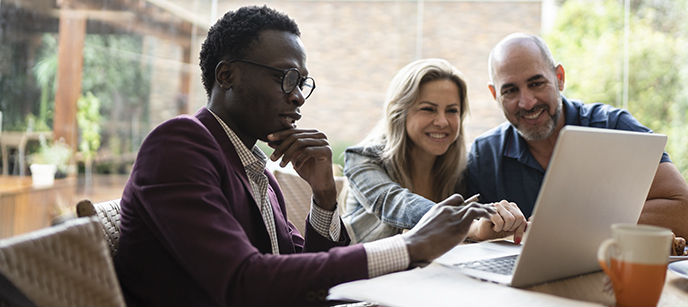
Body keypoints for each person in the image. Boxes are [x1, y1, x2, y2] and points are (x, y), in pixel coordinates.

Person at [112, 5, 497, 307]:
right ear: (227, 76)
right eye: (286, 77)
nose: (297, 96)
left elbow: (308, 277)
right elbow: (244, 283)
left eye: (302, 82)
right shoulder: (179, 144)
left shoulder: (255, 170)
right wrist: (411, 246)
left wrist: (325, 199)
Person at [465, 33, 688, 243]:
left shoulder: (614, 127)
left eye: (536, 83)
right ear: (495, 94)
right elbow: (454, 224)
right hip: (515, 288)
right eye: (510, 90)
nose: (527, 102)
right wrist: (477, 229)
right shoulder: (483, 155)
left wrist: (575, 223)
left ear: (559, 78)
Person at [343, 59, 527, 244]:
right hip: (366, 270)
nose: (442, 122)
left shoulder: (463, 167)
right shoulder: (362, 158)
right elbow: (395, 204)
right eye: (428, 109)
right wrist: (469, 225)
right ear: (400, 113)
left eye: (452, 110)